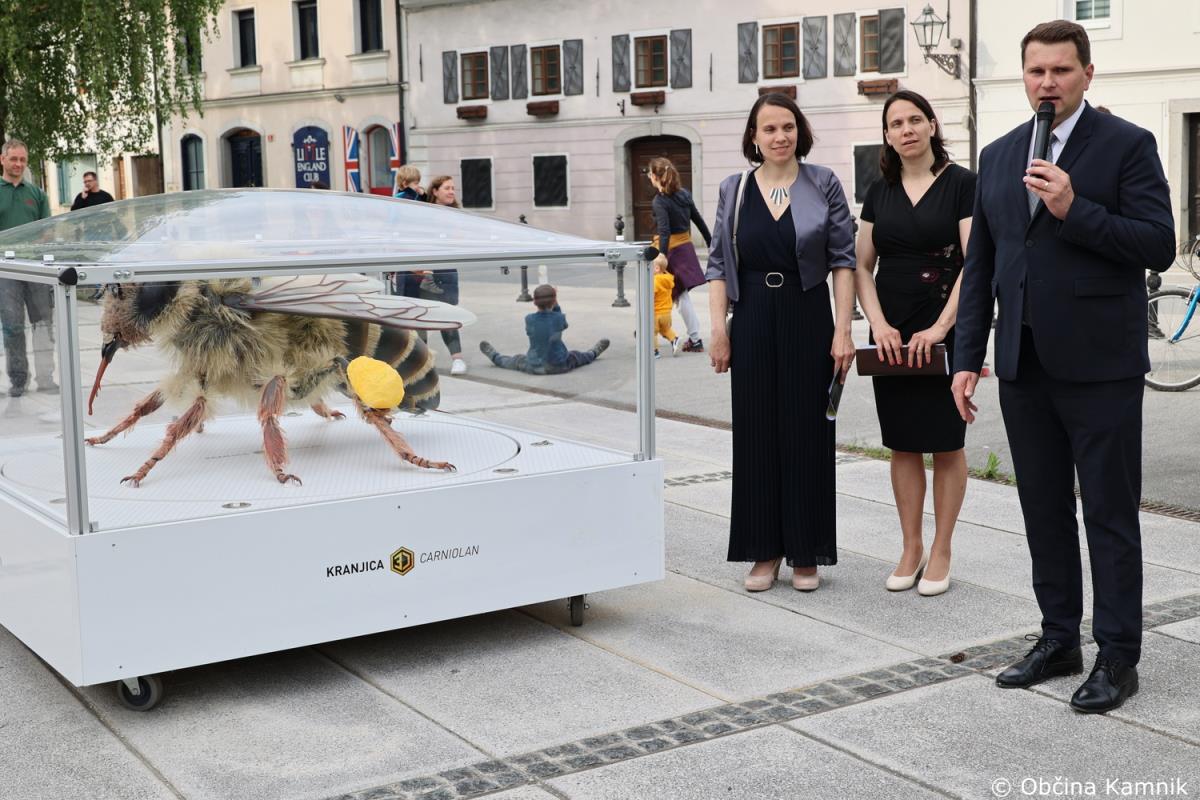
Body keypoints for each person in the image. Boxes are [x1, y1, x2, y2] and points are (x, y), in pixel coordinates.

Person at [952, 21, 1175, 714]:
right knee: (1042, 510)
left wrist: (1074, 208)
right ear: (1024, 76)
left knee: (1108, 513)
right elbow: (982, 265)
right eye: (1036, 71)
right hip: (1023, 363)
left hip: (1101, 365)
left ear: (1087, 74)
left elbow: (1158, 244)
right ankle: (1058, 639)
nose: (1047, 82)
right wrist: (966, 358)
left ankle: (1117, 655)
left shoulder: (1127, 145)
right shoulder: (998, 155)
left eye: (1061, 70)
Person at [705, 93, 856, 593]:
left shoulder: (823, 182)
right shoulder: (735, 189)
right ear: (754, 136)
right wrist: (719, 329)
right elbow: (718, 265)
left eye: (788, 127)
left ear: (800, 131)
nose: (780, 136)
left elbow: (843, 260)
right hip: (751, 316)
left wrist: (843, 330)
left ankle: (806, 551)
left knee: (807, 431)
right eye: (769, 129)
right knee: (755, 432)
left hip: (807, 313)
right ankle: (764, 551)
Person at [854, 90, 975, 597]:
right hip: (891, 330)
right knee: (902, 442)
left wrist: (941, 328)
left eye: (914, 120)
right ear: (887, 135)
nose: (906, 130)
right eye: (895, 123)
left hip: (943, 323)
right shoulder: (879, 190)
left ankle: (942, 548)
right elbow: (862, 266)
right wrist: (878, 323)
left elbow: (974, 263)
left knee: (946, 441)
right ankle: (911, 547)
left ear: (931, 125)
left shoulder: (963, 184)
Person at [0, 139, 55, 398]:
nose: (18, 164)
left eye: (22, 159)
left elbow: (47, 230)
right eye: (14, 159)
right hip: (6, 272)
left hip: (35, 269)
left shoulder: (37, 194)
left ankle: (46, 378)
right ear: (2, 160)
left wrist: (34, 245)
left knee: (43, 324)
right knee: (12, 326)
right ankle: (18, 380)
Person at [649, 157, 711, 353]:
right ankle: (691, 337)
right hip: (685, 248)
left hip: (670, 251)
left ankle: (694, 338)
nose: (649, 176)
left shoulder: (660, 201)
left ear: (656, 177)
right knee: (678, 294)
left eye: (650, 173)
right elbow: (698, 220)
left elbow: (664, 231)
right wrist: (711, 243)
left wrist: (662, 255)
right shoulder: (684, 194)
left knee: (671, 294)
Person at [478, 285, 609, 374]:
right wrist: (556, 304)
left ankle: (495, 357)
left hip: (534, 365)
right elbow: (563, 325)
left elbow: (530, 332)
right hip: (559, 365)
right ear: (554, 301)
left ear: (534, 302)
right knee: (577, 356)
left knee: (516, 360)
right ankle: (593, 352)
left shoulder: (529, 319)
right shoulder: (559, 318)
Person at [422, 175, 468, 375]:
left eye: (453, 188)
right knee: (421, 317)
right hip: (424, 273)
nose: (451, 192)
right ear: (435, 191)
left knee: (448, 315)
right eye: (447, 188)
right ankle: (422, 361)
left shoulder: (455, 215)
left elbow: (459, 241)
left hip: (447, 271)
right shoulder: (423, 212)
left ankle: (457, 359)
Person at [652, 259, 679, 359]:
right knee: (666, 329)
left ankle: (654, 351)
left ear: (657, 268)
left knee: (652, 333)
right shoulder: (668, 278)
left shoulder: (655, 280)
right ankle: (674, 339)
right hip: (667, 312)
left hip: (656, 312)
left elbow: (652, 295)